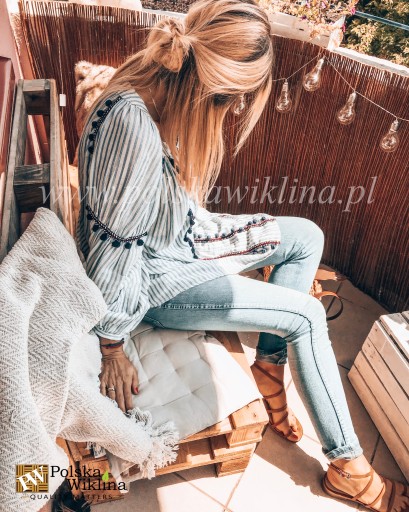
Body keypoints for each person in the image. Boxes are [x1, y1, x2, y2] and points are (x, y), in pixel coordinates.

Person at [76, 1, 408, 510]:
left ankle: (268, 368)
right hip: (155, 280)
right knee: (305, 315)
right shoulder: (133, 128)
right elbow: (114, 247)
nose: (232, 112)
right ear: (212, 88)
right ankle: (348, 467)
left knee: (306, 235)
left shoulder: (150, 84)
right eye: (234, 102)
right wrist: (112, 346)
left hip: (178, 240)